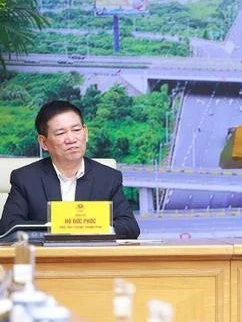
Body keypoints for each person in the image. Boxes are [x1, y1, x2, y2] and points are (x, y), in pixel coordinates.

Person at [0, 100, 140, 239]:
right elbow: (9, 227)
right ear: (43, 142)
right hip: (46, 258)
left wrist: (94, 229)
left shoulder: (108, 177)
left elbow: (130, 227)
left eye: (76, 130)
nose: (71, 139)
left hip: (93, 257)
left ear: (85, 132)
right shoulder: (25, 178)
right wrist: (62, 227)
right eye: (61, 133)